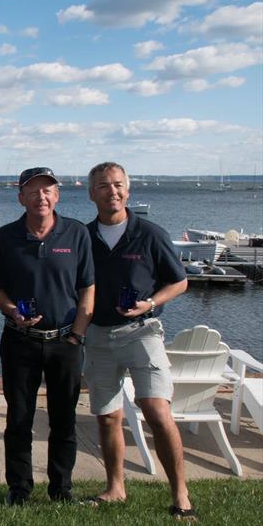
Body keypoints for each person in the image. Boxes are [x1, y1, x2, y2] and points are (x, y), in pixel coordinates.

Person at [83, 162, 194, 520]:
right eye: (103, 186)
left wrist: (152, 302)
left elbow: (179, 282)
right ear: (91, 193)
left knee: (157, 411)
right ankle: (115, 488)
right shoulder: (83, 236)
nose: (111, 191)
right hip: (98, 334)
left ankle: (181, 495)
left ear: (127, 191)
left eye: (117, 185)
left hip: (143, 331)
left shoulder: (150, 233)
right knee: (107, 416)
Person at [0, 167, 94, 505]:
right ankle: (19, 489)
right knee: (19, 419)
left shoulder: (76, 234)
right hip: (20, 341)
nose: (41, 196)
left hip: (65, 342)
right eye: (32, 191)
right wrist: (11, 310)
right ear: (21, 198)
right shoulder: (5, 237)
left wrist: (77, 335)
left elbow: (87, 287)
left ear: (57, 195)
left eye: (47, 190)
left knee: (64, 420)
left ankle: (61, 489)